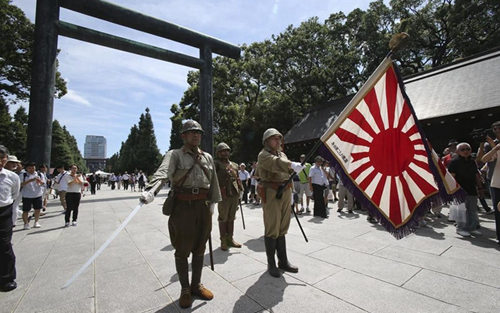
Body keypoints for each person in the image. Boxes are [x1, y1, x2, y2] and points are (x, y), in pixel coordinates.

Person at [140, 120, 221, 309]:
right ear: (183, 136)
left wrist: (214, 202)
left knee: (201, 246)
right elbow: (163, 172)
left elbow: (214, 181)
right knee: (183, 247)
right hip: (183, 206)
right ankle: (185, 288)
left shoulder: (207, 157)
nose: (196, 135)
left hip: (203, 205)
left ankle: (196, 285)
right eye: (191, 132)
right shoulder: (175, 155)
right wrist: (151, 190)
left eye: (198, 133)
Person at [256, 128, 304, 278]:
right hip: (271, 192)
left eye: (279, 138)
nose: (277, 141)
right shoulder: (263, 155)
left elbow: (285, 168)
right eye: (274, 138)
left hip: (285, 191)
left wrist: (294, 170)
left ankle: (283, 261)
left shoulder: (282, 154)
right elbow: (276, 163)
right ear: (266, 141)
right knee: (272, 227)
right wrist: (291, 165)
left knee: (283, 226)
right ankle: (271, 263)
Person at [448, 142, 481, 237]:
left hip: (471, 189)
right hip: (460, 190)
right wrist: (454, 190)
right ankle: (461, 228)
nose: (466, 151)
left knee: (472, 210)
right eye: (463, 149)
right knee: (461, 211)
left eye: (468, 149)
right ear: (457, 151)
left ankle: (472, 227)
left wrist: (480, 187)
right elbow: (452, 177)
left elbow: (476, 175)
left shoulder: (472, 161)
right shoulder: (454, 162)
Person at [214, 142, 243, 251]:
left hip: (234, 194)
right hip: (223, 194)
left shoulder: (234, 164)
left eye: (226, 150)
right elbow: (213, 179)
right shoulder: (216, 163)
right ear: (218, 153)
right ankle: (223, 240)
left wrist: (241, 190)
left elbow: (238, 178)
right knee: (223, 218)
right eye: (222, 151)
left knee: (231, 217)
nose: (225, 153)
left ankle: (230, 239)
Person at [0, 145, 20, 292]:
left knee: (4, 244)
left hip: (3, 211)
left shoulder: (12, 177)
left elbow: (14, 195)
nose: (0, 161)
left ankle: (7, 278)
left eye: (2, 158)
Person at [480, 122, 500, 245]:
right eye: (495, 128)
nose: (497, 130)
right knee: (498, 210)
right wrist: (494, 147)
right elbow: (484, 159)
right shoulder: (491, 145)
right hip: (496, 181)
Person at [19, 162, 44, 229]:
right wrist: (30, 180)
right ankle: (26, 223)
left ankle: (36, 222)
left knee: (37, 209)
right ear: (26, 168)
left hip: (37, 194)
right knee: (26, 210)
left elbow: (43, 183)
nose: (32, 169)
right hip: (27, 195)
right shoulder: (23, 175)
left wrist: (40, 182)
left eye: (33, 168)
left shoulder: (39, 174)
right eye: (29, 168)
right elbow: (20, 184)